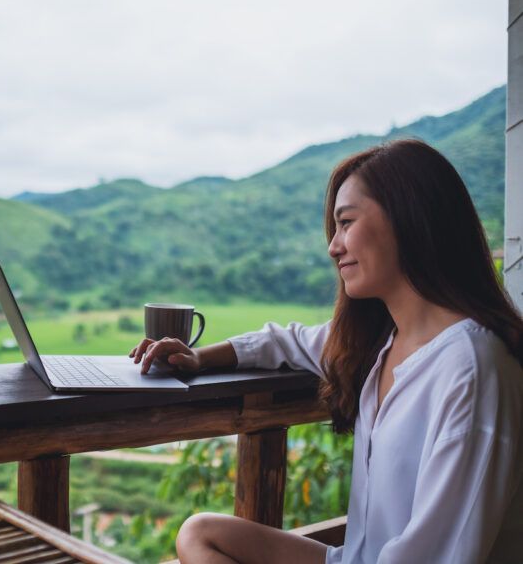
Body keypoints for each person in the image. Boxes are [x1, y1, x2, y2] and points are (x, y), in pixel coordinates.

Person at [130, 139, 523, 563]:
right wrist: (199, 357)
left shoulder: (471, 369)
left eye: (347, 223)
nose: (334, 246)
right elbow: (288, 340)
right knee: (200, 533)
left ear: (409, 218)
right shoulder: (382, 341)